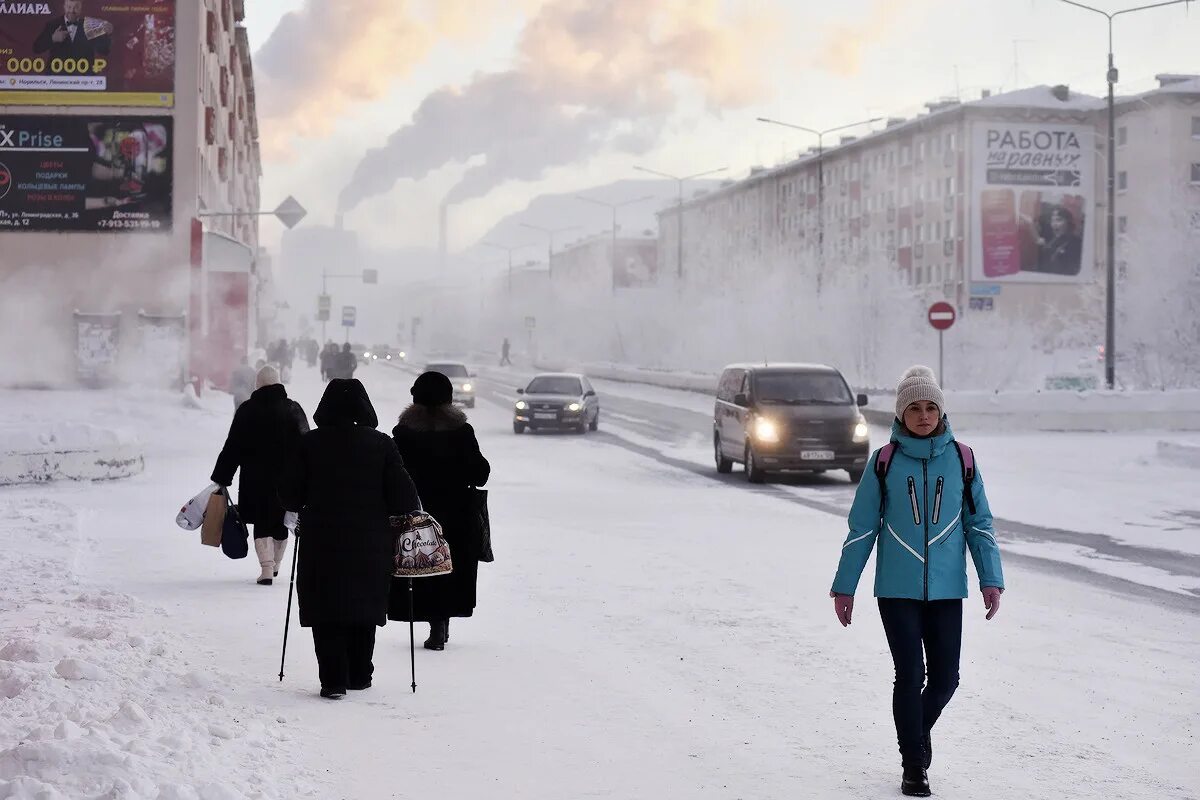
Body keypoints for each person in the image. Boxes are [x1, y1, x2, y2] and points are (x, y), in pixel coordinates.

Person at [830, 366, 1004, 798]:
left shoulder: (963, 459)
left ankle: (915, 732)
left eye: (930, 407)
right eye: (914, 408)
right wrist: (845, 585)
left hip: (947, 590)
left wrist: (990, 579)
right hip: (897, 589)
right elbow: (863, 527)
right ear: (901, 414)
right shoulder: (884, 462)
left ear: (941, 411)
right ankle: (914, 766)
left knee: (946, 679)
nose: (923, 415)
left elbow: (979, 525)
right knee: (909, 674)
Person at [280, 379, 420, 699]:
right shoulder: (382, 444)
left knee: (325, 605)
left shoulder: (309, 444)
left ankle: (332, 679)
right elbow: (405, 498)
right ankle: (359, 673)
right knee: (363, 603)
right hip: (370, 542)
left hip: (321, 541)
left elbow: (289, 495)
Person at [388, 371, 491, 650]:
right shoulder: (462, 431)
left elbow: (394, 474)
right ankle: (441, 621)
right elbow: (481, 473)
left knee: (422, 565)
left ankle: (433, 622)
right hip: (457, 513)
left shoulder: (404, 432)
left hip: (417, 513)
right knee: (450, 567)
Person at [211, 365, 310, 585]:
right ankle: (275, 564)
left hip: (255, 479)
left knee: (262, 521)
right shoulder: (293, 409)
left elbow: (233, 446)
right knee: (282, 521)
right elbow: (307, 443)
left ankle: (266, 568)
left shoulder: (247, 410)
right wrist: (310, 474)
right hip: (287, 479)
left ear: (258, 384)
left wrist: (222, 475)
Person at [33, 0, 112, 63]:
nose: (72, 10)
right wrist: (53, 39)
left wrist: (106, 33)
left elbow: (104, 51)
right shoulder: (52, 24)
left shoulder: (90, 25)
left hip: (84, 78)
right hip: (57, 77)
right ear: (64, 7)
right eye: (69, 7)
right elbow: (36, 48)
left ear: (81, 8)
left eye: (76, 7)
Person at [1035, 205, 1083, 276]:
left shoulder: (1077, 242)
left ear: (1068, 222)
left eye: (1059, 220)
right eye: (1052, 220)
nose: (1054, 224)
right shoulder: (1053, 239)